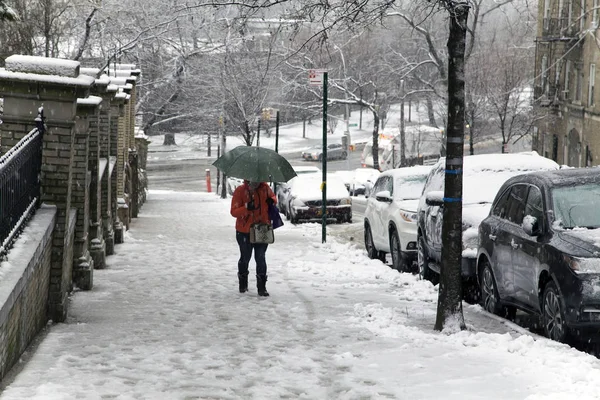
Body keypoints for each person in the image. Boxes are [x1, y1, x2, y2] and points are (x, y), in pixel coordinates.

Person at [230, 180, 277, 296]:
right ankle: (243, 285)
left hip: (262, 228)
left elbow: (273, 198)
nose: (255, 182)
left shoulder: (265, 189)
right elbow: (234, 212)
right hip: (244, 230)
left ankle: (262, 288)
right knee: (245, 257)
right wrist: (246, 208)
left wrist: (272, 200)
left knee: (260, 258)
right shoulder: (240, 191)